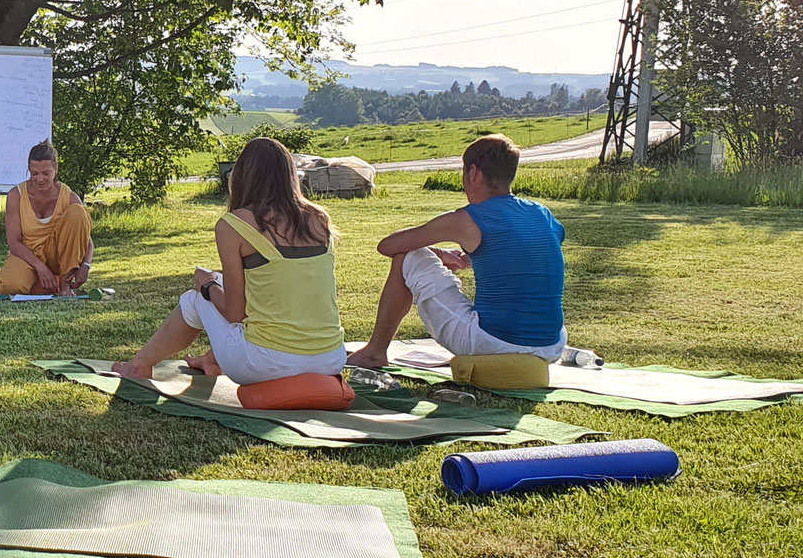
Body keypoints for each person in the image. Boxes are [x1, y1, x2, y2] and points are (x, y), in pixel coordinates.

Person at [110, 136, 346, 383]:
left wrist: (208, 286)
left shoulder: (234, 224)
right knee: (225, 285)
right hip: (330, 360)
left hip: (269, 363)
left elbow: (235, 313)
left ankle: (138, 366)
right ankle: (210, 360)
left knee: (195, 299)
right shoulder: (319, 218)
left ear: (243, 175)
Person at [345, 134, 567, 370]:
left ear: (473, 173)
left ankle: (375, 352)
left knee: (407, 255)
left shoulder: (468, 218)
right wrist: (469, 259)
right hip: (551, 347)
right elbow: (525, 251)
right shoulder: (541, 213)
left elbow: (389, 246)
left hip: (492, 342)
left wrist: (437, 253)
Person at [0, 140, 93, 296]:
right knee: (6, 287)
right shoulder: (16, 195)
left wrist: (86, 265)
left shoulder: (69, 196)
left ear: (55, 170)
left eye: (46, 173)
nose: (39, 179)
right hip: (27, 255)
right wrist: (40, 267)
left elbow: (86, 239)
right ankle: (55, 284)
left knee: (78, 211)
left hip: (58, 257)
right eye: (34, 173)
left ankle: (64, 282)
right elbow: (14, 242)